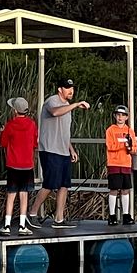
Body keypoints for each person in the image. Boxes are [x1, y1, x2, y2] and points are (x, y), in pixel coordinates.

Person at [30, 78, 90, 229]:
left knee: (64, 185)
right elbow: (55, 112)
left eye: (72, 88)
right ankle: (32, 214)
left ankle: (59, 219)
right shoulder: (52, 101)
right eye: (67, 88)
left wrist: (71, 150)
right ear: (60, 89)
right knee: (50, 184)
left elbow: (64, 132)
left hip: (63, 151)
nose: (71, 91)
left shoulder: (68, 106)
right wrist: (76, 105)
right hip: (50, 149)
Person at [0, 96, 38, 236]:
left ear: (15, 111)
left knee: (11, 194)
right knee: (24, 195)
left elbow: (3, 143)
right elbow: (35, 143)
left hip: (13, 165)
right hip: (27, 165)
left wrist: (2, 132)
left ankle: (7, 226)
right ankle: (22, 225)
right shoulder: (32, 124)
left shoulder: (10, 125)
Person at [104, 104, 137, 225]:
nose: (120, 117)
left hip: (126, 164)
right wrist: (123, 144)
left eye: (123, 115)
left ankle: (126, 215)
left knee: (125, 189)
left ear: (126, 117)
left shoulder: (130, 131)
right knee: (113, 189)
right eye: (118, 115)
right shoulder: (110, 130)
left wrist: (130, 148)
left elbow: (134, 148)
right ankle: (112, 215)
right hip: (114, 163)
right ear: (115, 116)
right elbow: (110, 146)